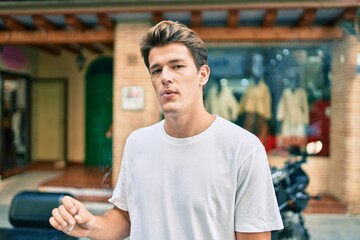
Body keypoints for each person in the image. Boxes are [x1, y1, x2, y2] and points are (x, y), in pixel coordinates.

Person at [49, 20, 283, 240]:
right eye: (156, 70)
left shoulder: (243, 148)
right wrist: (91, 225)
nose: (165, 78)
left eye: (177, 66)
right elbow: (125, 217)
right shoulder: (137, 143)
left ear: (202, 75)